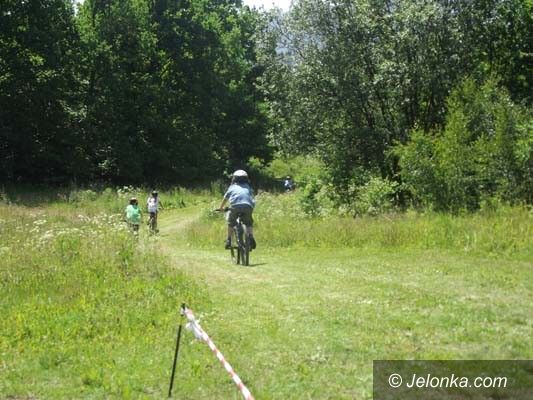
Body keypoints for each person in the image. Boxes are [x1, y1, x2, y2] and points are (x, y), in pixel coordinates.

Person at [218, 170, 256, 250]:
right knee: (248, 223)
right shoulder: (248, 187)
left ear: (234, 178)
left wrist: (221, 208)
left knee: (231, 223)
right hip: (248, 206)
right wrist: (251, 207)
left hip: (235, 206)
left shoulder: (232, 187)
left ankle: (228, 240)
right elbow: (252, 198)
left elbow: (225, 198)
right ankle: (251, 237)